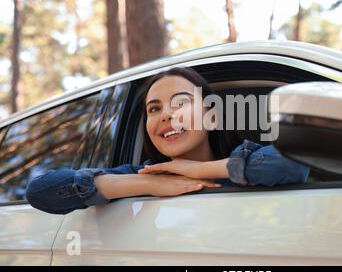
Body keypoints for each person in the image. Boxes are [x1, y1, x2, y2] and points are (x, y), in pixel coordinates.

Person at [26, 67, 309, 215]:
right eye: (154, 109)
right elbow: (40, 191)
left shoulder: (245, 157)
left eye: (180, 103)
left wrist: (198, 171)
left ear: (211, 116)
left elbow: (294, 164)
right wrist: (149, 183)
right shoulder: (138, 175)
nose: (166, 115)